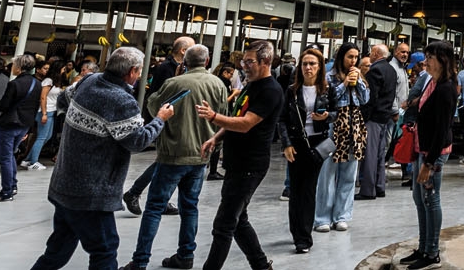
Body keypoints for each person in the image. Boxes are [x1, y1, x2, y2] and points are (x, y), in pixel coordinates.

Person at [28, 48, 172, 270]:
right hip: (91, 193)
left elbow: (64, 102)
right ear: (133, 71)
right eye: (140, 70)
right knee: (104, 250)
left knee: (57, 250)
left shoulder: (89, 80)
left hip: (64, 184)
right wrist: (160, 119)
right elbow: (137, 141)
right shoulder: (122, 100)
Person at [125, 43, 220, 270]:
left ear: (184, 63)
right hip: (200, 155)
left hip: (173, 155)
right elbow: (220, 115)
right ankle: (186, 255)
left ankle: (140, 261)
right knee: (190, 206)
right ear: (206, 62)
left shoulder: (175, 83)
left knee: (155, 207)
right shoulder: (218, 84)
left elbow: (152, 105)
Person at [193, 41, 283, 270]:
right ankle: (261, 266)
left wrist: (213, 117)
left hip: (250, 165)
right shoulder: (250, 85)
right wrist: (216, 137)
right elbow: (235, 116)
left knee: (224, 224)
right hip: (237, 163)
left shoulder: (270, 90)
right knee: (239, 219)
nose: (245, 66)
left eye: (250, 61)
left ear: (266, 62)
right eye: (244, 61)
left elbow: (245, 124)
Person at [402, 42, 458, 270]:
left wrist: (429, 162)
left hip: (432, 153)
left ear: (442, 59)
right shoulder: (431, 82)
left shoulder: (446, 88)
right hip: (421, 148)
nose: (426, 61)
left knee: (430, 199)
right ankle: (423, 247)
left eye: (430, 57)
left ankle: (432, 251)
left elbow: (442, 128)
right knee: (419, 199)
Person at [279, 47, 332, 254]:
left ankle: (304, 238)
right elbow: (282, 119)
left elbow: (337, 113)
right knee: (295, 190)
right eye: (305, 64)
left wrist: (327, 116)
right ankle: (297, 233)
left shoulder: (328, 90)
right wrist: (286, 144)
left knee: (308, 191)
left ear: (320, 67)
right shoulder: (292, 91)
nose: (308, 68)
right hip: (296, 144)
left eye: (313, 64)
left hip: (317, 145)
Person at [314, 42, 370, 233]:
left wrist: (359, 82)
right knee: (327, 173)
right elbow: (328, 99)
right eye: (349, 57)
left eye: (356, 57)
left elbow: (365, 100)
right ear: (341, 57)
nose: (353, 61)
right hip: (333, 125)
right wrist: (345, 83)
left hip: (354, 125)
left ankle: (342, 216)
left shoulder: (359, 75)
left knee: (349, 174)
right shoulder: (329, 76)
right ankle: (322, 217)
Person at [0, 54, 41, 201]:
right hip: (25, 124)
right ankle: (12, 185)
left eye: (13, 65)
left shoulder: (14, 84)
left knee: (5, 156)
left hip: (10, 123)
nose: (11, 67)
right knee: (11, 154)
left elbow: (3, 105)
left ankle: (7, 190)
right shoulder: (37, 83)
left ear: (19, 67)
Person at [361, 44, 399, 199]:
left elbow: (371, 97)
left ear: (376, 53)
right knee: (380, 154)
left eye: (371, 52)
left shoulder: (375, 70)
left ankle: (368, 190)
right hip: (385, 117)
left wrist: (364, 116)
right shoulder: (391, 70)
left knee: (369, 154)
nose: (370, 55)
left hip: (374, 117)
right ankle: (379, 186)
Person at [24, 67, 64, 170]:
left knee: (47, 136)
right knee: (42, 137)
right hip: (46, 111)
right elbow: (43, 97)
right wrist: (44, 113)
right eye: (62, 68)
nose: (63, 71)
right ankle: (33, 162)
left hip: (51, 111)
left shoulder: (55, 82)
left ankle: (28, 159)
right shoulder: (48, 81)